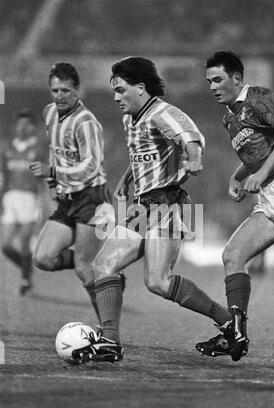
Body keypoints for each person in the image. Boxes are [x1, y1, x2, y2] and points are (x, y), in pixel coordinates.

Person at [71, 56, 244, 364]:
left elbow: (192, 138)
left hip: (169, 203)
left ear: (141, 88)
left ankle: (228, 323)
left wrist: (194, 158)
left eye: (121, 90)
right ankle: (110, 342)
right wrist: (128, 177)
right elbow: (142, 155)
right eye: (114, 91)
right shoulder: (130, 119)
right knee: (102, 266)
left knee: (158, 281)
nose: (116, 97)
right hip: (142, 205)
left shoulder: (163, 112)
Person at [196, 50, 274, 359]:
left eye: (219, 79)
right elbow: (259, 150)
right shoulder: (230, 117)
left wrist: (264, 174)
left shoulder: (258, 97)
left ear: (237, 78)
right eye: (209, 81)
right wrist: (238, 175)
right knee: (233, 255)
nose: (213, 86)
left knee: (234, 255)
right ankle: (236, 333)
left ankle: (235, 333)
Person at [29, 62, 124, 324]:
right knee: (44, 258)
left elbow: (91, 166)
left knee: (84, 268)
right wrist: (53, 185)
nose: (59, 96)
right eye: (55, 90)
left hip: (91, 199)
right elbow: (55, 149)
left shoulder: (86, 123)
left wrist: (54, 173)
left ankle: (109, 332)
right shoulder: (49, 113)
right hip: (68, 198)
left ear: (77, 91)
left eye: (65, 91)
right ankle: (109, 274)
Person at [0, 108, 46, 295]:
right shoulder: (7, 148)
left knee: (26, 242)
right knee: (6, 245)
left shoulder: (38, 149)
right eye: (19, 124)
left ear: (33, 128)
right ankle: (26, 269)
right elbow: (2, 175)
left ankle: (25, 279)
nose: (22, 128)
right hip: (11, 198)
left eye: (26, 125)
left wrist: (44, 202)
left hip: (30, 198)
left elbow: (44, 178)